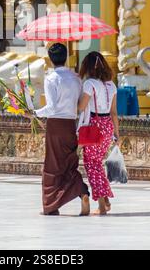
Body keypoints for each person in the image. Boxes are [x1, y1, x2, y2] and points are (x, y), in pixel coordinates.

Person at [35, 43, 90, 216]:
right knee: (68, 162)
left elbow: (51, 107)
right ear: (66, 57)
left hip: (56, 124)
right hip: (70, 124)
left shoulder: (51, 78)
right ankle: (81, 191)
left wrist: (34, 113)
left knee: (52, 165)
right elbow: (80, 105)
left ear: (50, 60)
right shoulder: (76, 78)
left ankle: (51, 205)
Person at [78, 51, 120, 215]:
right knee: (97, 163)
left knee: (92, 165)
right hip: (107, 125)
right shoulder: (112, 85)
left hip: (94, 125)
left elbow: (81, 107)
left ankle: (102, 206)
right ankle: (106, 200)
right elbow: (114, 112)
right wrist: (117, 134)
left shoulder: (90, 84)